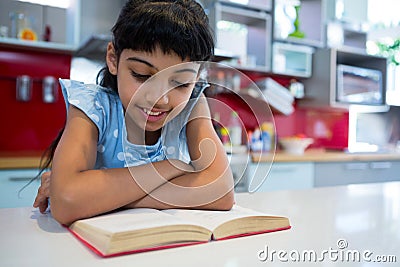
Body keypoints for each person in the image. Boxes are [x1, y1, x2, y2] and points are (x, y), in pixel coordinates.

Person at [33, 0, 235, 225]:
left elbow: (222, 192)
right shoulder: (93, 106)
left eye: (180, 83)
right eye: (142, 75)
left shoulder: (192, 106)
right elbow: (67, 201)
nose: (160, 98)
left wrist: (100, 198)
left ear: (196, 79)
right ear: (113, 59)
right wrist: (172, 167)